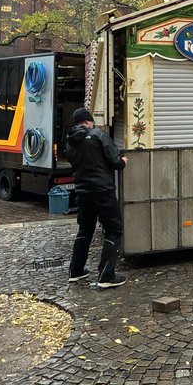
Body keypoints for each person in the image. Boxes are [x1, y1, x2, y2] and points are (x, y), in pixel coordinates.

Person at [66, 108, 129, 288]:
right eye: (91, 121)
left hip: (82, 192)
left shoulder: (70, 141)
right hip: (102, 190)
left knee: (85, 230)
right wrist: (122, 161)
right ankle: (106, 276)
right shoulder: (97, 135)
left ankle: (76, 271)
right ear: (87, 121)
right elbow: (115, 160)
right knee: (114, 229)